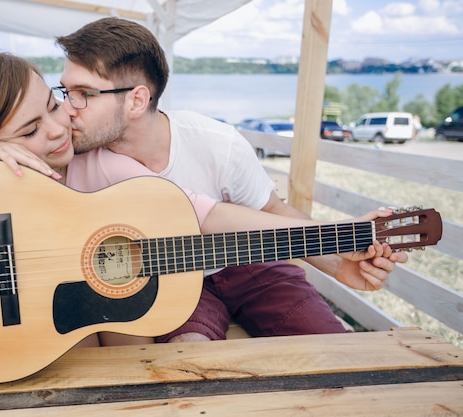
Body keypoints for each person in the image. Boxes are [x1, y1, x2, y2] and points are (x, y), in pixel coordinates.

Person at [0, 52, 395, 348]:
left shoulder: (101, 166)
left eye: (54, 104)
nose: (59, 128)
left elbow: (206, 215)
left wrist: (338, 236)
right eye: (29, 130)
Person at [55, 17, 408, 342]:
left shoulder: (217, 143)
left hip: (250, 265)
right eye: (65, 91)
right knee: (188, 362)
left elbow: (273, 210)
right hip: (174, 283)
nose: (67, 107)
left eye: (84, 94)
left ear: (136, 100)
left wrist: (335, 259)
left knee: (330, 345)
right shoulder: (74, 155)